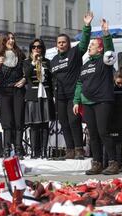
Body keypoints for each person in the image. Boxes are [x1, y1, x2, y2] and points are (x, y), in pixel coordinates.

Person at [73, 19, 118, 175]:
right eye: (90, 45)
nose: (89, 47)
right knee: (92, 134)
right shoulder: (85, 65)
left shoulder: (105, 61)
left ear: (100, 49)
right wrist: (76, 101)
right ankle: (97, 163)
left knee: (103, 131)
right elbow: (79, 83)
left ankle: (113, 162)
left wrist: (106, 34)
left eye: (92, 45)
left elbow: (110, 50)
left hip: (102, 101)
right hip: (87, 102)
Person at [50, 11, 94, 160]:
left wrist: (86, 26)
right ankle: (69, 150)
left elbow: (84, 42)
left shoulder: (75, 53)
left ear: (68, 44)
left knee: (74, 121)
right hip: (60, 96)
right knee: (63, 123)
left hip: (73, 94)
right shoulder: (54, 60)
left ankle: (79, 149)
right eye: (59, 43)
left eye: (64, 42)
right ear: (56, 45)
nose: (61, 44)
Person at [0, 32, 26, 158]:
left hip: (18, 90)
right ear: (3, 41)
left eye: (13, 38)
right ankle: (7, 148)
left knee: (19, 120)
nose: (11, 40)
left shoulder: (20, 54)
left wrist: (24, 79)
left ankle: (18, 147)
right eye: (8, 39)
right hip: (5, 91)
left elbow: (28, 71)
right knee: (7, 122)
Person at [23, 39, 54, 159]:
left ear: (42, 49)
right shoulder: (26, 62)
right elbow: (27, 74)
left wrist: (53, 96)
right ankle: (35, 152)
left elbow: (51, 80)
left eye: (39, 47)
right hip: (33, 95)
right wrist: (33, 62)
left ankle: (44, 151)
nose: (37, 49)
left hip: (45, 94)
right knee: (34, 124)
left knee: (45, 124)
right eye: (34, 47)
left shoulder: (48, 62)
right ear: (31, 49)